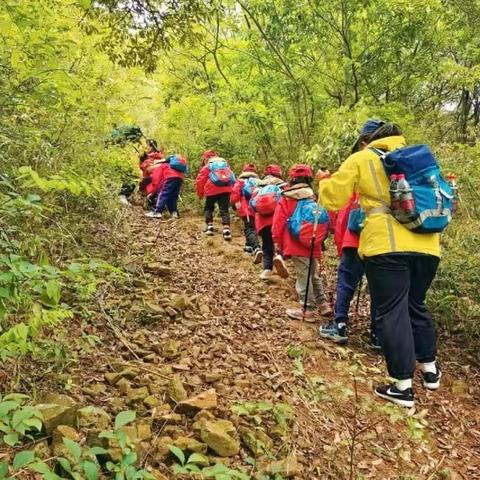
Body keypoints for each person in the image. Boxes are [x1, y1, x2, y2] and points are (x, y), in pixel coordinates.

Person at [318, 120, 441, 408]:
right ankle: (430, 371)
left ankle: (402, 386)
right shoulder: (420, 158)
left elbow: (333, 200)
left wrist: (324, 180)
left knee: (391, 310)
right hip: (428, 245)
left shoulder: (362, 158)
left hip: (386, 246)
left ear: (368, 140)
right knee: (415, 304)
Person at [319, 133, 379, 348]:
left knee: (346, 282)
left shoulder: (358, 174)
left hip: (355, 240)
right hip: (381, 242)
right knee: (379, 288)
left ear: (364, 144)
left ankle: (340, 325)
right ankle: (378, 334)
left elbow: (342, 213)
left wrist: (340, 242)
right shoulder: (390, 171)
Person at [272, 164, 332, 321]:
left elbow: (278, 223)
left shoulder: (287, 197)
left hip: (295, 243)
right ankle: (323, 304)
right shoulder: (315, 196)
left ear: (291, 179)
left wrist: (277, 242)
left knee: (303, 276)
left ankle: (307, 310)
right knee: (314, 273)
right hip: (314, 242)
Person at [252, 164, 286, 280]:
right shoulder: (283, 186)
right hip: (278, 219)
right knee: (280, 241)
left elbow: (253, 204)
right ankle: (280, 256)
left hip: (262, 221)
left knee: (266, 245)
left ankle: (267, 269)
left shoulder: (259, 186)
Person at [195, 151, 235, 241]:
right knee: (224, 209)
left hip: (211, 190)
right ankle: (226, 230)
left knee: (208, 208)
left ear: (206, 158)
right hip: (226, 189)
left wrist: (200, 193)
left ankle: (209, 227)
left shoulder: (208, 166)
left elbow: (200, 181)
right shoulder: (225, 164)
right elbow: (231, 178)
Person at [230, 164, 262, 259]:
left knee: (249, 228)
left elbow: (234, 196)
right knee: (253, 228)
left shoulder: (240, 182)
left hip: (246, 209)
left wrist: (234, 206)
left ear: (244, 171)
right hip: (259, 208)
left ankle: (257, 248)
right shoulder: (260, 182)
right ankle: (249, 247)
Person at [145, 154, 187, 219]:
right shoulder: (172, 167)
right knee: (173, 197)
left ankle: (157, 212)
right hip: (179, 179)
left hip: (170, 178)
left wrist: (152, 193)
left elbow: (156, 181)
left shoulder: (162, 166)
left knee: (163, 194)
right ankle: (174, 213)